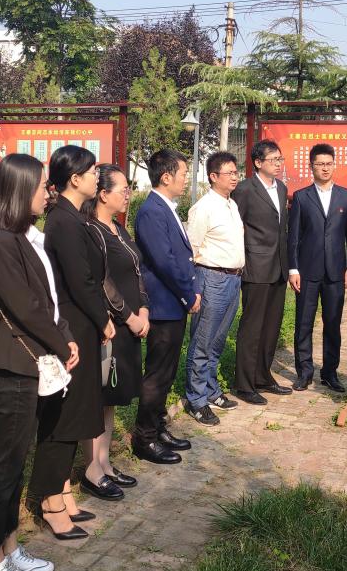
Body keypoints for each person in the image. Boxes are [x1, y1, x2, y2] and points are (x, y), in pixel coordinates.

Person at [0, 153, 80, 571]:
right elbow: (26, 308)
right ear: (20, 190)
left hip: (36, 362)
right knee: (3, 468)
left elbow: (49, 299)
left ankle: (10, 548)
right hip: (15, 368)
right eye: (42, 186)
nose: (49, 193)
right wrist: (61, 341)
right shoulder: (0, 243)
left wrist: (65, 334)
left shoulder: (28, 237)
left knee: (15, 466)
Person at [43, 146, 121, 528]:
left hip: (82, 321)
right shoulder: (63, 221)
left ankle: (64, 492)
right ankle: (53, 497)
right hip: (73, 322)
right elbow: (81, 280)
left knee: (77, 409)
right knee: (69, 411)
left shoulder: (73, 217)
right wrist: (103, 319)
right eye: (91, 172)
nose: (96, 177)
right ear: (74, 179)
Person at [81, 163, 149, 489]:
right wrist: (130, 317)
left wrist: (144, 308)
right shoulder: (91, 231)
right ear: (103, 194)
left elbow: (137, 270)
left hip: (132, 322)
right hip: (110, 324)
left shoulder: (119, 229)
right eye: (123, 189)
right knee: (99, 396)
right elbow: (101, 281)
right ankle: (91, 468)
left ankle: (105, 461)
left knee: (111, 398)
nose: (128, 195)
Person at [132, 149, 198, 463]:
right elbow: (165, 262)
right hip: (162, 304)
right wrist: (188, 294)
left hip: (173, 304)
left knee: (167, 372)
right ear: (166, 176)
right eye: (183, 174)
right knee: (156, 375)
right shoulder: (151, 211)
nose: (186, 180)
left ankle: (158, 427)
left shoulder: (165, 207)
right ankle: (144, 438)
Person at [287, 143, 347, 393]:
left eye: (329, 163)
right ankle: (304, 373)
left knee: (332, 324)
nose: (325, 168)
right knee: (303, 324)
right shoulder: (301, 196)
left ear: (334, 165)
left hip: (335, 271)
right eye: (320, 164)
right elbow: (293, 237)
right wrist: (293, 269)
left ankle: (330, 373)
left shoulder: (345, 196)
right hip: (307, 271)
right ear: (312, 167)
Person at [183, 151, 245, 425]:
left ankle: (210, 389)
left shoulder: (232, 204)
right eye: (229, 173)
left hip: (233, 279)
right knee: (203, 341)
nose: (235, 177)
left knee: (218, 340)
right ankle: (196, 399)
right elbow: (192, 250)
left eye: (236, 172)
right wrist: (194, 286)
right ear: (213, 176)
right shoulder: (203, 208)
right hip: (211, 278)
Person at [231, 139, 291, 405]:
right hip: (256, 267)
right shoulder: (245, 189)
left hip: (279, 266)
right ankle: (244, 385)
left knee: (271, 326)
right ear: (258, 162)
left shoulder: (282, 188)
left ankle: (263, 377)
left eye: (280, 159)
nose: (278, 164)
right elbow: (236, 227)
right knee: (252, 327)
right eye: (273, 159)